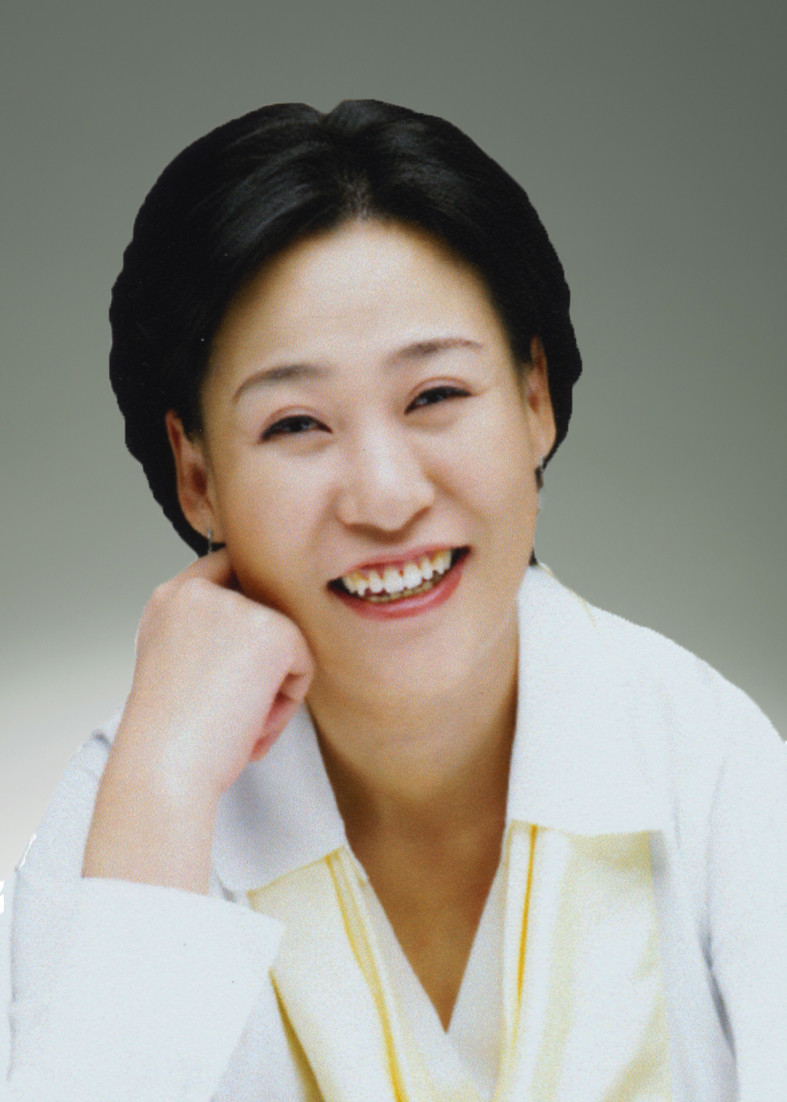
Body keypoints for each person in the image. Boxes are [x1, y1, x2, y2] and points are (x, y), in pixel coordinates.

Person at [3, 100, 786, 1102]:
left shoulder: (709, 762)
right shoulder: (138, 798)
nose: (384, 495)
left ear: (534, 398)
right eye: (296, 424)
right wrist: (161, 782)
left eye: (435, 396)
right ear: (196, 476)